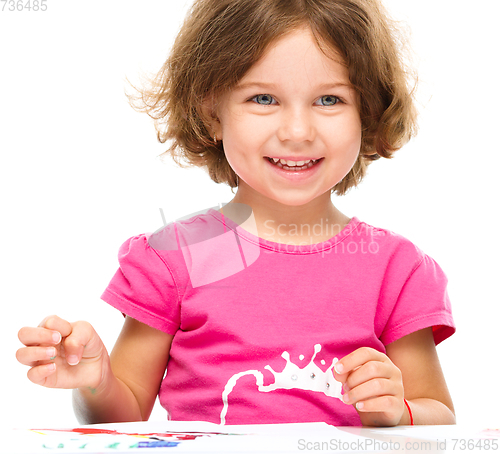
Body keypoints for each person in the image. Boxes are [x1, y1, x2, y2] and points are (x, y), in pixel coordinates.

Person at [16, 0, 456, 427]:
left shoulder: (396, 269)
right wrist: (94, 381)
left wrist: (401, 411)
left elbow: (440, 415)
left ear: (368, 112)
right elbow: (123, 415)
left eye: (329, 100)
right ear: (211, 113)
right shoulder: (175, 258)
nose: (297, 132)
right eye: (263, 98)